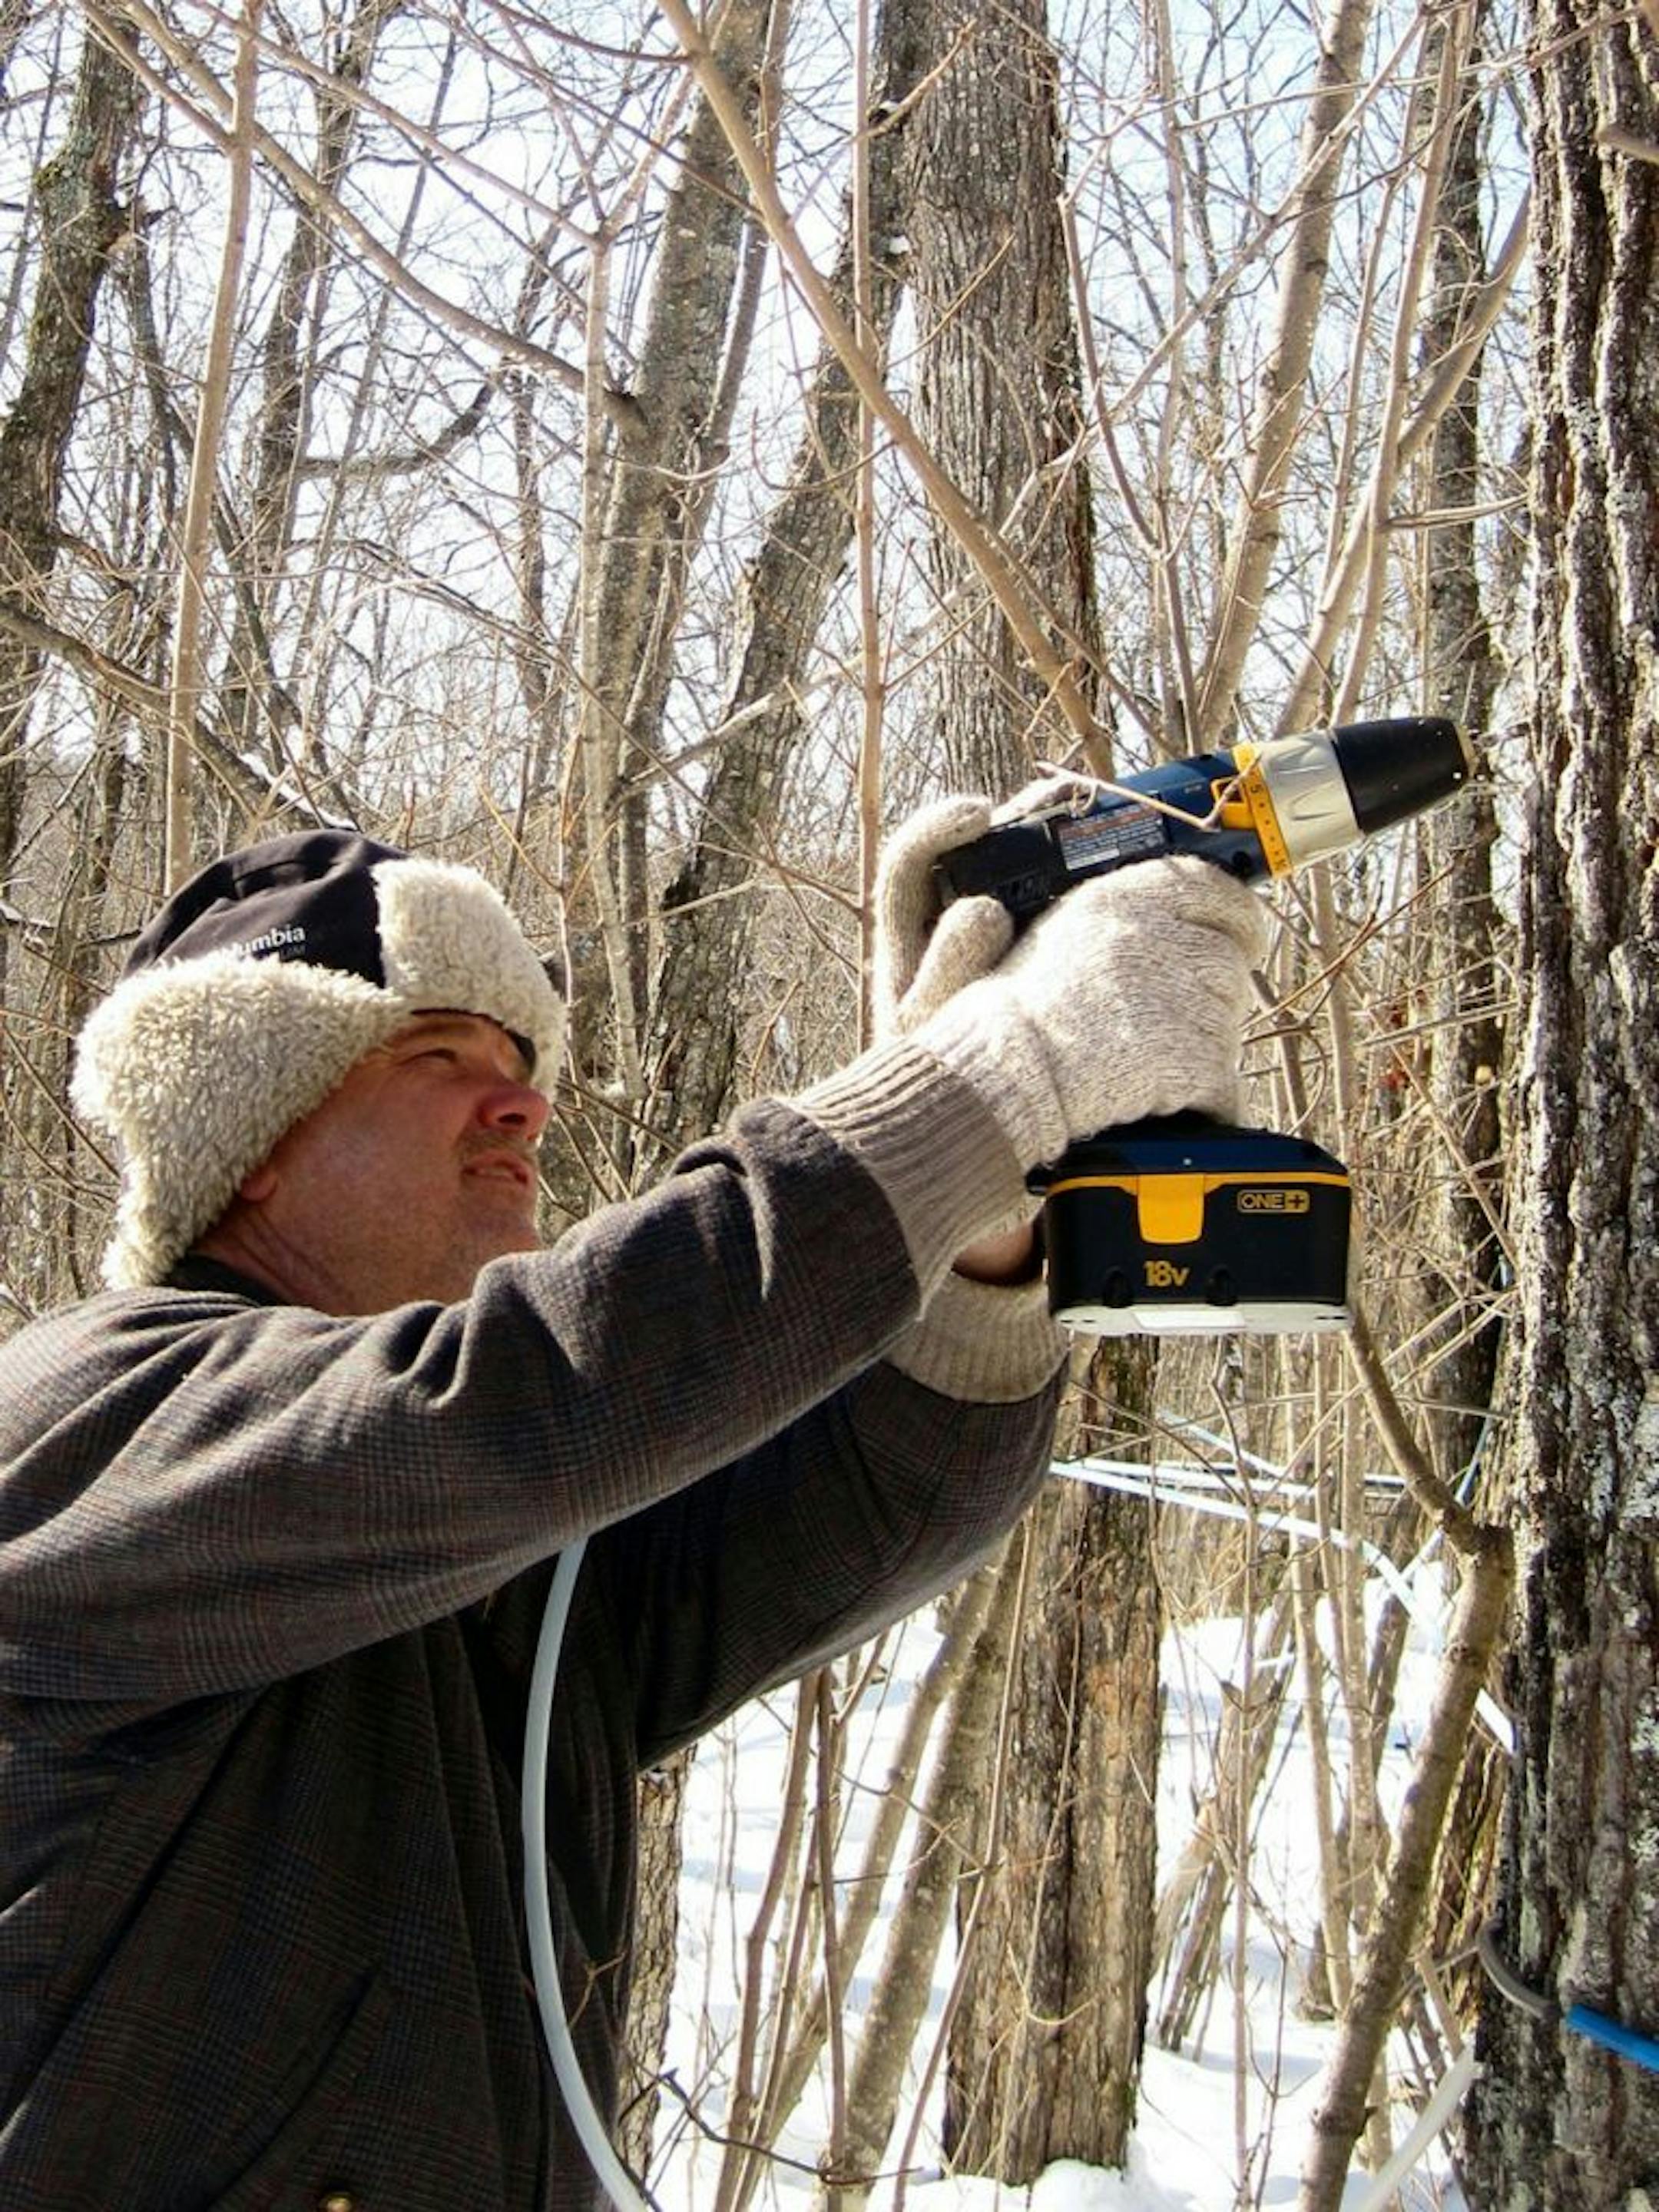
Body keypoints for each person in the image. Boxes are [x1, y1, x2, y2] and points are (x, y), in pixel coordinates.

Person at [0, 805, 1263, 2211]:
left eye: (523, 1063)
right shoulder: (90, 1420)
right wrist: (993, 1076)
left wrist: (980, 1225)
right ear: (248, 1139)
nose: (525, 1104)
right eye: (437, 1053)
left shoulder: (511, 1570)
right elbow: (513, 1403)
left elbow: (869, 1512)